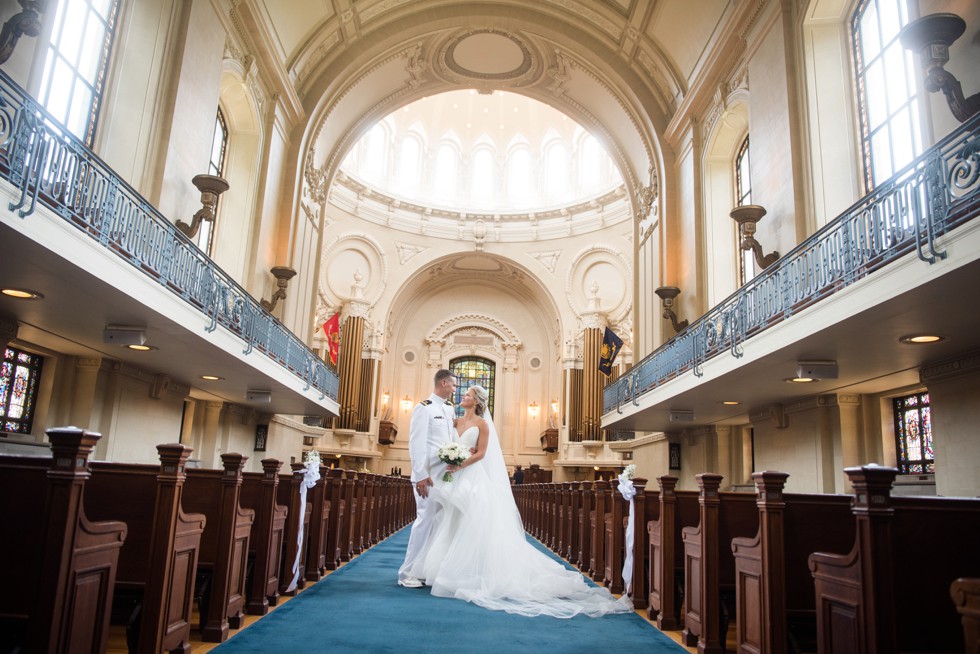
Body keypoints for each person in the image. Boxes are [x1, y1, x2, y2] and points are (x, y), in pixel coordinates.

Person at [407, 385, 632, 618]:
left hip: (470, 476)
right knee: (449, 518)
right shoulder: (454, 421)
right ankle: (445, 567)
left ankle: (471, 571)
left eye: (467, 395)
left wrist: (460, 463)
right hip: (452, 477)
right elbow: (444, 443)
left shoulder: (482, 425)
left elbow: (481, 453)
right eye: (464, 395)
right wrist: (447, 459)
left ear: (475, 402)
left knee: (471, 519)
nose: (462, 396)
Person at [397, 369, 457, 588]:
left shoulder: (449, 410)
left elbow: (449, 441)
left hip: (444, 476)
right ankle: (406, 573)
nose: (454, 389)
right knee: (424, 521)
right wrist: (421, 475)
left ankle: (424, 569)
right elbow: (417, 444)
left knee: (438, 523)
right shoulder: (424, 409)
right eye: (452, 385)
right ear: (443, 383)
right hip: (428, 477)